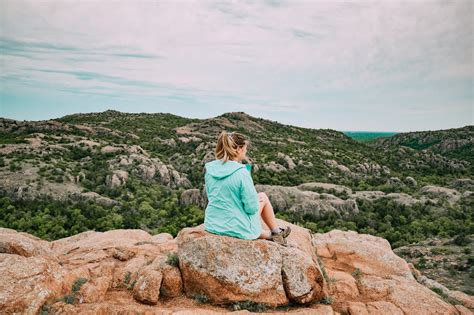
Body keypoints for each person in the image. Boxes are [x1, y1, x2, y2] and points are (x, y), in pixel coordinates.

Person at [203, 131, 291, 246]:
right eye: (245, 148)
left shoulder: (210, 170)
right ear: (238, 149)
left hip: (213, 224)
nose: (246, 150)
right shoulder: (242, 173)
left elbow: (212, 197)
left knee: (240, 217)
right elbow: (251, 208)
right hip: (235, 227)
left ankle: (270, 235)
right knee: (262, 197)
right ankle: (276, 232)